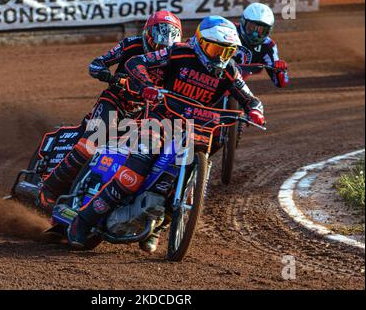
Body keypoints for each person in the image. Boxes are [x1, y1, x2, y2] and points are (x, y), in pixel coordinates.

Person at [66, 16, 265, 252]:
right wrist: (146, 85)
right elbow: (136, 63)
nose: (220, 58)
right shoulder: (179, 52)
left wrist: (255, 111)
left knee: (184, 185)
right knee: (133, 175)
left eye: (227, 52)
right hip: (160, 120)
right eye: (215, 49)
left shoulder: (230, 70)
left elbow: (250, 98)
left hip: (195, 130)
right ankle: (84, 220)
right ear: (200, 42)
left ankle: (156, 229)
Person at [37, 11, 183, 214]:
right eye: (157, 44)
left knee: (141, 159)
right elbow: (96, 63)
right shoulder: (130, 45)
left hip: (146, 114)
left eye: (165, 47)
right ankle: (49, 190)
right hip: (115, 102)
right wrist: (110, 76)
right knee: (89, 145)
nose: (160, 50)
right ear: (147, 35)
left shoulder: (177, 59)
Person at [233, 2, 289, 87]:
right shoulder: (229, 29)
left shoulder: (268, 46)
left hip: (234, 85)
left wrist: (280, 70)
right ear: (243, 22)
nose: (255, 34)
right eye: (251, 28)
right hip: (210, 74)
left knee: (249, 100)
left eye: (261, 31)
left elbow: (281, 83)